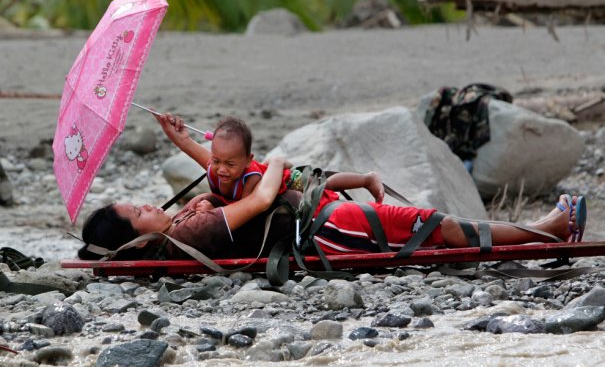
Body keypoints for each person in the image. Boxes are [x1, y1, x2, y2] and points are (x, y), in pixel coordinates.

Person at [78, 116, 583, 261]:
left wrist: (180, 138)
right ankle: (547, 230)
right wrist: (273, 162)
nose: (148, 203)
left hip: (315, 220)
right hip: (323, 232)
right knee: (433, 226)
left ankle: (538, 230)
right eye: (138, 211)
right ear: (136, 237)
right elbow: (254, 198)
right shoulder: (198, 229)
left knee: (427, 227)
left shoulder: (182, 229)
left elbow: (221, 176)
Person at [156, 114, 384, 207]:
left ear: (248, 161)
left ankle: (366, 179)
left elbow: (244, 209)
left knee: (322, 181)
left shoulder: (251, 177)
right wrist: (172, 131)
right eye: (216, 160)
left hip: (282, 179)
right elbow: (188, 145)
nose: (221, 169)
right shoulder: (216, 166)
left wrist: (211, 208)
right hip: (270, 177)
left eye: (230, 164)